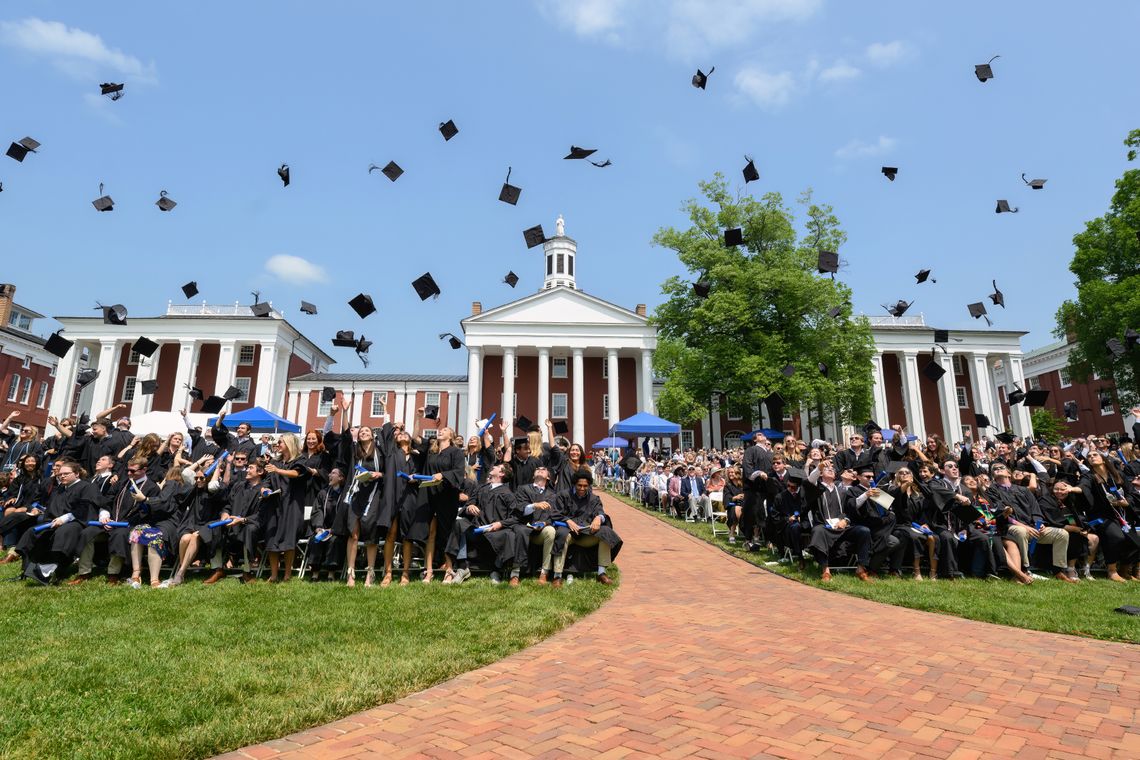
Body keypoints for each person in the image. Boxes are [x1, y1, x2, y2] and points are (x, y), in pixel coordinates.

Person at [70, 457, 160, 585]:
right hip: (110, 521)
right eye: (128, 470)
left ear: (144, 469)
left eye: (133, 471)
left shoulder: (152, 487)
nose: (129, 473)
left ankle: (113, 574)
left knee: (120, 535)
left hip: (131, 524)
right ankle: (84, 572)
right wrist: (105, 516)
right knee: (87, 533)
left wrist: (142, 501)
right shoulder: (122, 483)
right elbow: (107, 500)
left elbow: (148, 512)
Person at [12, 460, 99, 583]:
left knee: (63, 533)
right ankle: (26, 571)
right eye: (60, 474)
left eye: (66, 474)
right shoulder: (60, 489)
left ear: (77, 474)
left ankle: (54, 571)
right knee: (31, 533)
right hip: (53, 521)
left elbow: (86, 508)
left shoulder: (87, 487)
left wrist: (65, 518)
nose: (62, 476)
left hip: (76, 521)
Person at [987, 463, 1075, 584]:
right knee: (1021, 531)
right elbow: (1001, 514)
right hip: (1010, 527)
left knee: (1062, 534)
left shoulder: (1023, 490)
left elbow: (1035, 509)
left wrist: (1040, 523)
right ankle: (1025, 569)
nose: (997, 469)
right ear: (993, 475)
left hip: (1033, 527)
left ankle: (1058, 570)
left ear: (1009, 473)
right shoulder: (992, 491)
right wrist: (1024, 526)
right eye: (994, 469)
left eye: (1001, 468)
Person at [443, 461, 523, 585]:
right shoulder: (481, 488)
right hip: (477, 528)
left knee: (509, 535)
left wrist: (499, 524)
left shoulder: (508, 494)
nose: (493, 467)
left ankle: (496, 570)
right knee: (460, 524)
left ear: (501, 473)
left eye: (496, 467)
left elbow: (516, 517)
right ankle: (463, 567)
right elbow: (469, 503)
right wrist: (470, 507)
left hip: (495, 531)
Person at [804, 461, 872, 582]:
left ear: (836, 476)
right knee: (817, 531)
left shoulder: (843, 491)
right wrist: (820, 467)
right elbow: (810, 480)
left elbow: (850, 510)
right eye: (826, 469)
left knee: (864, 531)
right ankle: (825, 570)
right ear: (820, 474)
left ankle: (861, 568)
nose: (830, 469)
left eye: (832, 469)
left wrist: (845, 520)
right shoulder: (816, 489)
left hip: (842, 528)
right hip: (824, 527)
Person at [1079, 450, 1139, 582]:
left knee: (1135, 541)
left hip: (1121, 515)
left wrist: (1126, 502)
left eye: (1095, 455)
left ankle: (1125, 570)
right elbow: (1083, 487)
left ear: (1103, 458)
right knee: (1115, 536)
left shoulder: (1117, 475)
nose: (1091, 457)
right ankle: (1111, 571)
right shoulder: (1089, 476)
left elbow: (1130, 492)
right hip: (1101, 516)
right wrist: (1073, 489)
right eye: (1089, 456)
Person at [554, 470, 621, 586]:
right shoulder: (563, 495)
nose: (582, 488)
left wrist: (599, 518)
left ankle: (601, 573)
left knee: (606, 533)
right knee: (561, 535)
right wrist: (567, 520)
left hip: (585, 533)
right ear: (574, 484)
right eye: (579, 485)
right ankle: (557, 575)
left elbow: (600, 511)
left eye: (585, 486)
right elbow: (554, 513)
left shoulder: (594, 499)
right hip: (568, 531)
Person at [262, 433, 310, 583]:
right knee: (272, 539)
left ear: (289, 444)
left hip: (292, 505)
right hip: (274, 504)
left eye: (281, 442)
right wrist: (264, 490)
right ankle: (274, 574)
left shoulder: (300, 460)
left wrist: (277, 470)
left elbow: (296, 473)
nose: (277, 444)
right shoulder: (275, 462)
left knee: (289, 540)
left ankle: (288, 574)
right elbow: (267, 481)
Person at [511, 465, 561, 583]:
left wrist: (544, 523)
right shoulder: (523, 489)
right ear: (533, 475)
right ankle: (515, 574)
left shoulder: (552, 495)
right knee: (520, 531)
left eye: (544, 470)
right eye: (537, 469)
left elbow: (553, 515)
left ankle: (544, 572)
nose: (540, 470)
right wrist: (534, 506)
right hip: (524, 525)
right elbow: (519, 508)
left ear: (548, 477)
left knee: (551, 531)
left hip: (540, 530)